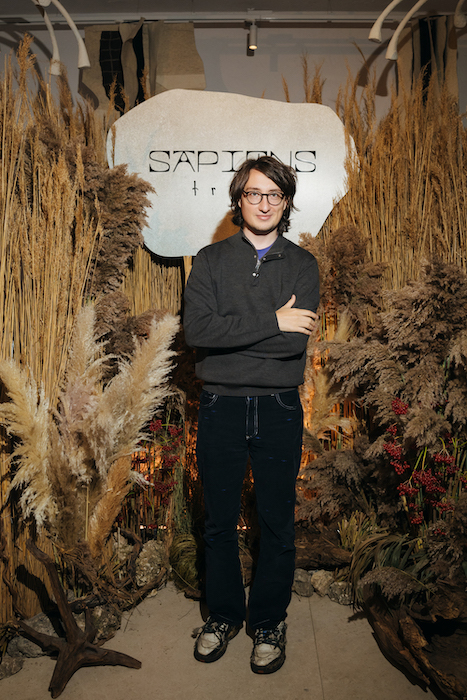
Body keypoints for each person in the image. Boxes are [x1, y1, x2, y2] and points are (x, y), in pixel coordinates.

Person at [183, 155, 319, 674]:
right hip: (220, 405)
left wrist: (236, 335)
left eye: (274, 195)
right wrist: (273, 320)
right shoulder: (210, 260)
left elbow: (292, 348)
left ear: (286, 203)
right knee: (218, 521)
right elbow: (198, 332)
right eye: (254, 193)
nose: (264, 204)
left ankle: (268, 622)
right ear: (238, 200)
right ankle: (222, 616)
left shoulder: (303, 265)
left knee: (276, 522)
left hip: (279, 406)